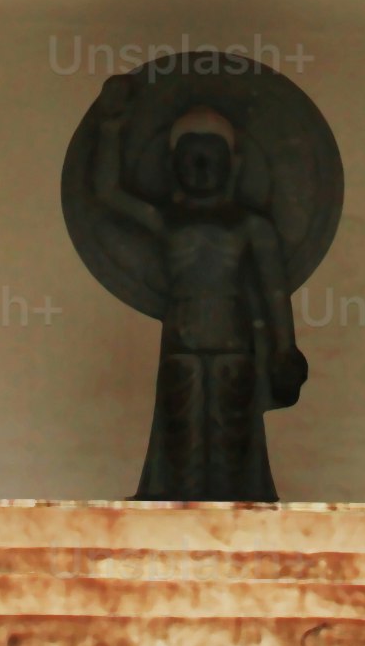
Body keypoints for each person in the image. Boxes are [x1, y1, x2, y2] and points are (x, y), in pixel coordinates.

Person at [72, 99, 304, 502]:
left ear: (232, 163)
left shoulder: (252, 226)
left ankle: (237, 516)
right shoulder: (166, 219)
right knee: (180, 433)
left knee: (233, 434)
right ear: (171, 165)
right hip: (181, 341)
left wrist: (285, 349)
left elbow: (273, 292)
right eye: (190, 158)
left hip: (235, 345)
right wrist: (111, 133)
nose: (200, 167)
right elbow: (108, 193)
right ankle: (176, 513)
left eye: (210, 157)